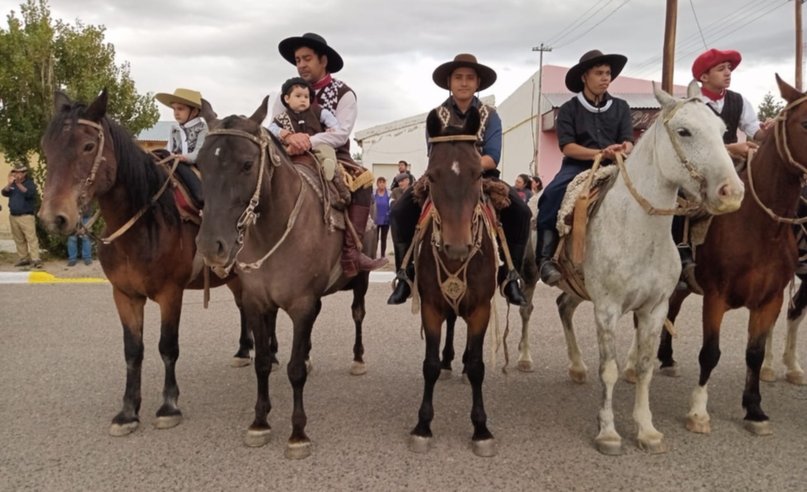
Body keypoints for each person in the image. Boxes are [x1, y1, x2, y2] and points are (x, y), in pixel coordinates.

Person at [387, 53, 531, 306]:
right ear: (449, 82)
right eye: (458, 78)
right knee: (399, 211)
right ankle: (405, 274)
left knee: (520, 212)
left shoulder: (490, 115)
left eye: (469, 78)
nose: (464, 83)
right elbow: (433, 154)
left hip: (482, 177)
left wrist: (469, 168)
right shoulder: (437, 115)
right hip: (443, 179)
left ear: (478, 84)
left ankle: (510, 275)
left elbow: (493, 156)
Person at [275, 32, 387, 277]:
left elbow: (341, 133)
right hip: (286, 153)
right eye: (297, 60)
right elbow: (273, 124)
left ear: (323, 60)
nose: (301, 65)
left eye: (307, 59)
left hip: (333, 155)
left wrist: (305, 141)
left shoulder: (343, 93)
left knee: (364, 179)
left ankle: (351, 250)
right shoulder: (285, 93)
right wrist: (287, 138)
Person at [674, 48, 773, 287]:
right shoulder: (692, 105)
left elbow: (756, 133)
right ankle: (681, 249)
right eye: (721, 69)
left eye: (729, 68)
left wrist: (770, 129)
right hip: (701, 166)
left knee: (770, 187)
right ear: (704, 77)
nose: (728, 73)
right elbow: (688, 146)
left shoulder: (738, 100)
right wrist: (731, 149)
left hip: (735, 162)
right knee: (680, 196)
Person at [535, 49, 634, 286]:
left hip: (617, 165)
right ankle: (545, 258)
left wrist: (624, 149)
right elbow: (567, 147)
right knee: (551, 195)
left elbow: (629, 141)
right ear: (584, 77)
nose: (605, 78)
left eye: (608, 73)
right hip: (577, 167)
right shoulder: (569, 108)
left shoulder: (622, 107)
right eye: (599, 73)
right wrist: (599, 153)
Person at [268, 77, 339, 180]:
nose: (303, 100)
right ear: (287, 99)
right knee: (279, 151)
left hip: (315, 146)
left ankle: (328, 166)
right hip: (291, 148)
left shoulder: (316, 111)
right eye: (298, 96)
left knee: (326, 150)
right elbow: (271, 129)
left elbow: (329, 117)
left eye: (306, 97)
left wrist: (333, 128)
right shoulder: (282, 117)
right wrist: (281, 132)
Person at [153, 88, 207, 204]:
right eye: (174, 109)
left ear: (194, 111)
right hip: (174, 162)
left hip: (195, 166)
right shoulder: (174, 129)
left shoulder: (202, 128)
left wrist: (184, 157)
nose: (176, 113)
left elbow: (198, 153)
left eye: (180, 109)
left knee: (200, 194)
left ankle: (203, 202)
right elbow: (169, 148)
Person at [2, 163, 42, 269]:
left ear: (24, 173)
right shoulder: (13, 184)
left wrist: (19, 184)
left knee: (31, 238)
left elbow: (29, 194)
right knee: (18, 239)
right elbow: (4, 193)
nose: (16, 174)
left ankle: (35, 259)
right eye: (15, 172)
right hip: (13, 216)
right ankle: (23, 258)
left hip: (26, 216)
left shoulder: (30, 183)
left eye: (19, 172)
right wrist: (9, 184)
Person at [373, 177, 391, 258]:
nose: (382, 184)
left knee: (384, 239)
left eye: (383, 182)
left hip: (385, 220)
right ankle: (373, 255)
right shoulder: (373, 194)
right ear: (377, 184)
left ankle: (383, 255)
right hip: (375, 220)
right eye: (380, 182)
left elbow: (392, 205)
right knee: (375, 239)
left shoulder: (389, 194)